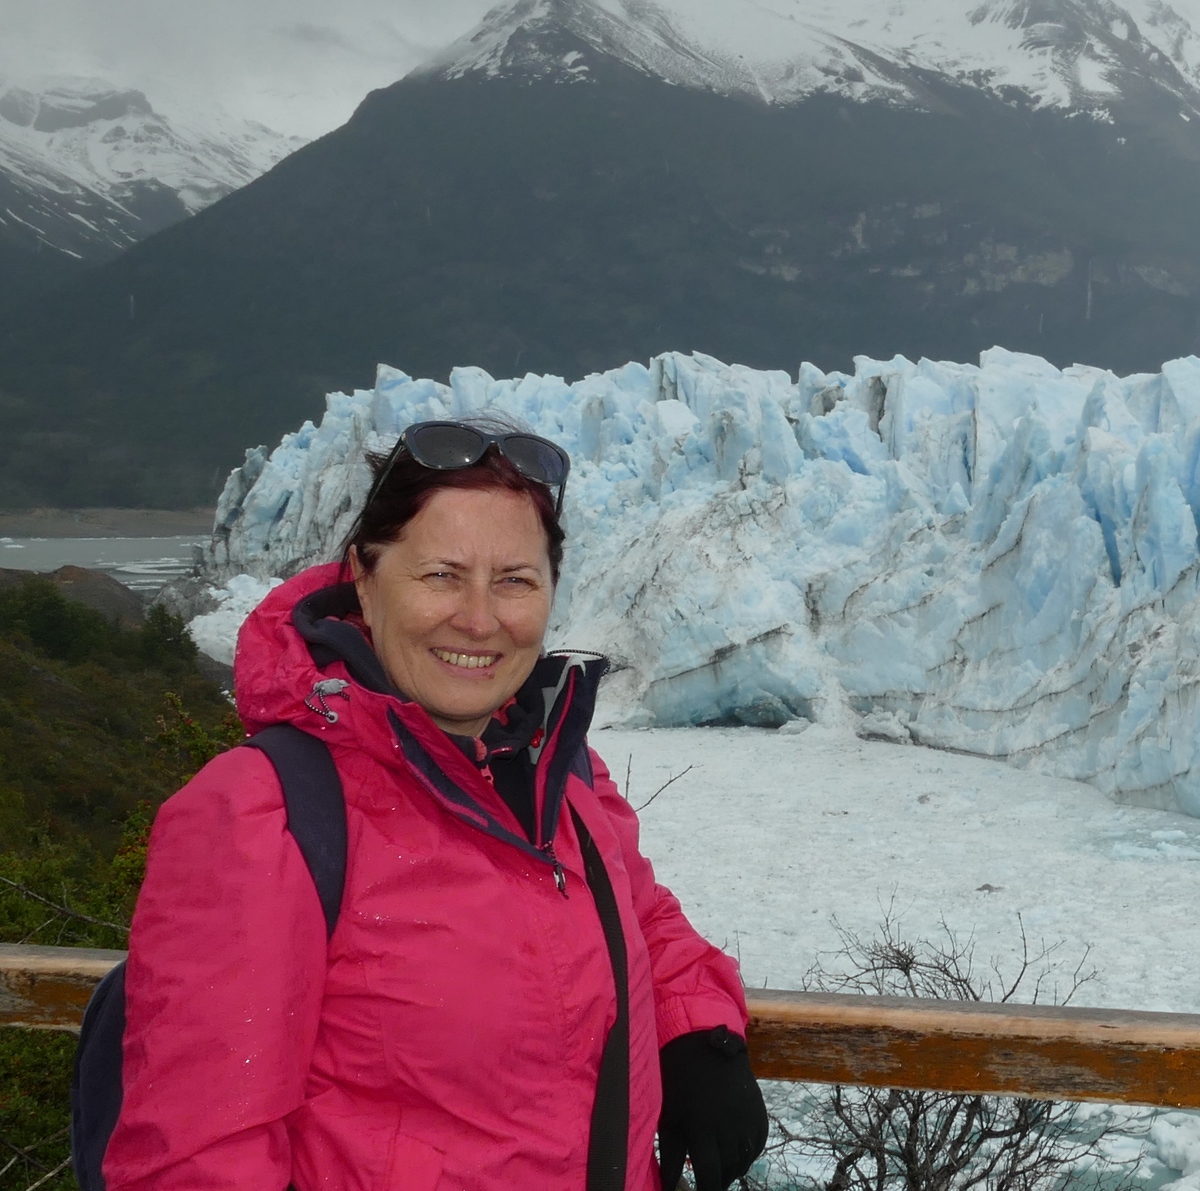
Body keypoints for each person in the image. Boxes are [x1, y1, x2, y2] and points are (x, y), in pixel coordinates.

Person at [103, 418, 768, 1190]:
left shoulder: (559, 770)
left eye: (515, 579)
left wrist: (696, 1032)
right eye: (442, 575)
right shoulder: (267, 814)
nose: (480, 619)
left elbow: (641, 915)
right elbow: (193, 1160)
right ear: (363, 574)